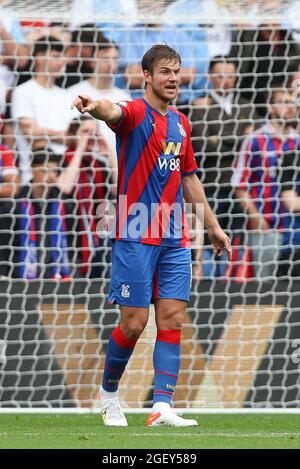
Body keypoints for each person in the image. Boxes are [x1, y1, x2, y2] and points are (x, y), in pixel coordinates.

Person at [71, 44, 231, 427]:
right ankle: (109, 395)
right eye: (165, 72)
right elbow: (114, 110)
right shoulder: (136, 112)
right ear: (147, 75)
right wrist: (95, 106)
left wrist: (212, 226)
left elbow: (189, 176)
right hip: (136, 230)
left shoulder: (181, 121)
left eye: (176, 71)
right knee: (134, 322)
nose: (173, 78)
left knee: (173, 317)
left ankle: (162, 405)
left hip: (175, 234)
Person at [191, 56, 259, 277]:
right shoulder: (197, 107)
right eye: (220, 75)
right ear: (210, 77)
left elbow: (256, 141)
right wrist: (241, 136)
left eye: (229, 75)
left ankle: (232, 278)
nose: (225, 80)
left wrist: (220, 137)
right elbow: (203, 147)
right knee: (211, 236)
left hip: (240, 188)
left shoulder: (247, 106)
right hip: (211, 185)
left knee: (237, 237)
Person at [232, 86, 299, 279]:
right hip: (266, 225)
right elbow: (240, 184)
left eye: (292, 103)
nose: (290, 108)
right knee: (265, 286)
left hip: (294, 228)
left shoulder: (298, 142)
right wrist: (256, 217)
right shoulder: (255, 140)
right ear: (270, 106)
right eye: (283, 102)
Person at [69, 34, 131, 185]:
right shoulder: (74, 92)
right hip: (84, 165)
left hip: (115, 166)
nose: (110, 64)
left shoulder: (125, 97)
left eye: (114, 59)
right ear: (92, 61)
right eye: (105, 58)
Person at [11, 36, 74, 183]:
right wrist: (63, 135)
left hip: (66, 178)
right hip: (33, 177)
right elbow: (31, 132)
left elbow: (75, 138)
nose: (62, 61)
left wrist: (44, 132)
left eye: (63, 57)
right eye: (56, 56)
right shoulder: (23, 92)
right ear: (39, 58)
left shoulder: (67, 95)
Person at [63, 116, 114, 278]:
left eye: (94, 133)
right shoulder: (62, 160)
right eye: (85, 132)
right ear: (73, 134)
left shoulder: (98, 165)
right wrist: (80, 147)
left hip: (97, 238)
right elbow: (65, 187)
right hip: (68, 234)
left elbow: (118, 189)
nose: (90, 137)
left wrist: (110, 151)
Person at [13, 150, 72, 280]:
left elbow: (72, 241)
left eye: (54, 171)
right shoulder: (16, 203)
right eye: (45, 171)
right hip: (20, 278)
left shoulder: (65, 204)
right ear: (32, 169)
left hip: (57, 278)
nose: (51, 176)